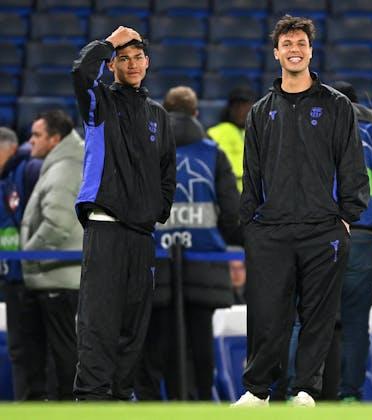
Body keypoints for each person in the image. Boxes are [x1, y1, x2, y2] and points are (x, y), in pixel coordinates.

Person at [233, 15, 369, 408]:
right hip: (270, 230)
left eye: (301, 43)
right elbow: (251, 172)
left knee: (318, 315)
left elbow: (352, 164)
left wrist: (346, 216)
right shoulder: (261, 111)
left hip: (323, 229)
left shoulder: (336, 105)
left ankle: (306, 390)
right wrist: (251, 224)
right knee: (267, 314)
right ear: (276, 53)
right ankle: (258, 391)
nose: (295, 50)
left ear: (311, 51)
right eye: (287, 44)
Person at [72, 26, 176, 400]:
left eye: (137, 57)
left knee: (133, 329)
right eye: (123, 58)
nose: (131, 64)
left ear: (147, 63)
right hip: (106, 230)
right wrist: (109, 42)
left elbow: (167, 172)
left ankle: (119, 403)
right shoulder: (99, 103)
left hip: (141, 236)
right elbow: (81, 71)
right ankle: (92, 402)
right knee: (98, 324)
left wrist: (154, 210)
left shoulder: (158, 115)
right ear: (112, 65)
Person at [134, 85, 241, 401]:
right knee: (199, 345)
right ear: (195, 113)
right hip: (204, 264)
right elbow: (232, 214)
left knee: (154, 347)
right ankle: (200, 405)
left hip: (155, 263)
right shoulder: (213, 153)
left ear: (163, 114)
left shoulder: (145, 152)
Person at [328, 81, 372, 401]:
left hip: (322, 231)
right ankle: (349, 394)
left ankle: (302, 391)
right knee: (355, 322)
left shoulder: (320, 124)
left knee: (308, 317)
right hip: (364, 232)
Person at [19, 110, 84, 400]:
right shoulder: (62, 164)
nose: (30, 141)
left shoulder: (64, 169)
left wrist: (29, 255)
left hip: (56, 276)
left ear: (55, 139)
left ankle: (67, 408)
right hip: (57, 274)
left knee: (62, 353)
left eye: (37, 135)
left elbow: (57, 223)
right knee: (59, 351)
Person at [0, 127, 42, 400]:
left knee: (34, 348)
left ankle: (39, 404)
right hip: (11, 274)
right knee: (18, 350)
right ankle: (25, 404)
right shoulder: (6, 178)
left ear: (10, 149)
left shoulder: (30, 170)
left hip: (31, 274)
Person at [207, 86, 256, 192]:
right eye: (236, 106)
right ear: (229, 109)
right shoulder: (214, 133)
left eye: (245, 106)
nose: (240, 110)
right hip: (227, 191)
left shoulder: (262, 133)